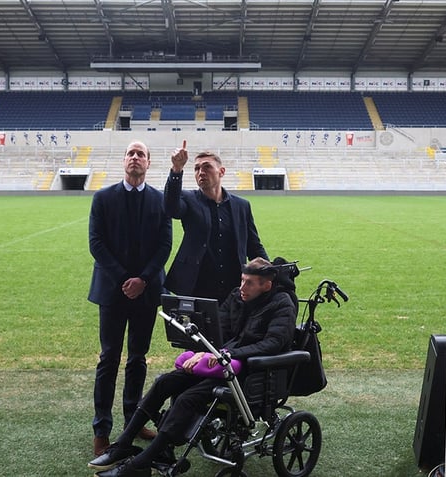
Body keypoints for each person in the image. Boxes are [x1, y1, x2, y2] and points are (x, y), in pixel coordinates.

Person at [88, 257, 296, 477]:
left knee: (188, 398)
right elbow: (217, 331)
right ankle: (123, 444)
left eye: (249, 283)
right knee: (164, 382)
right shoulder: (237, 296)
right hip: (219, 364)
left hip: (247, 374)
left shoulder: (282, 303)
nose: (242, 287)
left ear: (266, 285)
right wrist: (202, 352)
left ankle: (142, 463)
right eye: (242, 280)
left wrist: (228, 354)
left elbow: (274, 343)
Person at [88, 140, 173, 457]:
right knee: (109, 359)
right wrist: (126, 279)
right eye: (130, 153)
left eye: (141, 154)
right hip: (112, 291)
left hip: (147, 293)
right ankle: (102, 429)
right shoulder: (103, 197)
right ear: (123, 161)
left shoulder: (161, 201)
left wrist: (144, 280)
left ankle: (133, 422)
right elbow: (96, 243)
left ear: (149, 163)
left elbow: (165, 245)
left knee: (138, 359)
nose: (135, 157)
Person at [164, 144, 269, 303]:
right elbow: (171, 208)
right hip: (195, 285)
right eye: (197, 168)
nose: (201, 172)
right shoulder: (188, 199)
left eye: (207, 167)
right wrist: (176, 169)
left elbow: (253, 245)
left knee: (231, 327)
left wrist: (271, 272)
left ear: (221, 172)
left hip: (233, 286)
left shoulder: (242, 206)